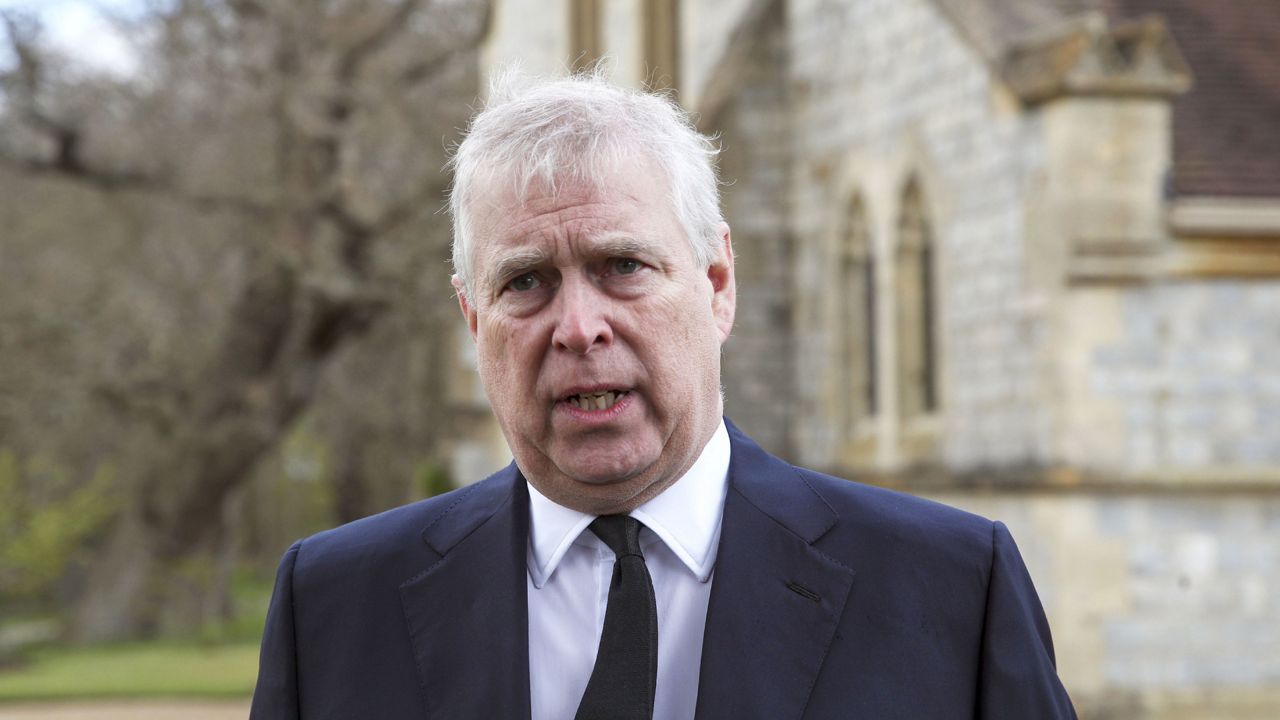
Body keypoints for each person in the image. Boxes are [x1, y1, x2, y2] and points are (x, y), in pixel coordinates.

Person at [250, 71, 1078, 719]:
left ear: (717, 284)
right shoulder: (331, 607)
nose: (579, 327)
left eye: (623, 267)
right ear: (474, 318)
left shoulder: (951, 589)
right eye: (527, 282)